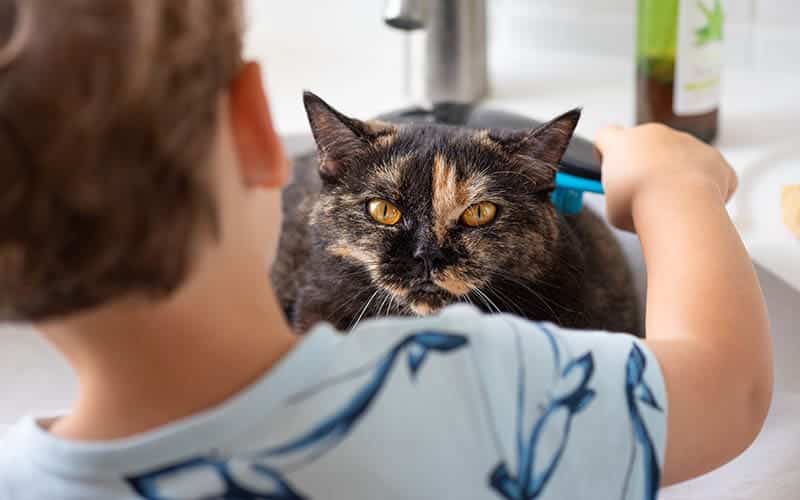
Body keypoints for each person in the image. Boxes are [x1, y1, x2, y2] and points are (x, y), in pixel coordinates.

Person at [0, 1, 772, 499]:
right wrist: (679, 189)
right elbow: (728, 392)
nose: (429, 257)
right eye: (380, 211)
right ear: (259, 133)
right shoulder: (480, 388)